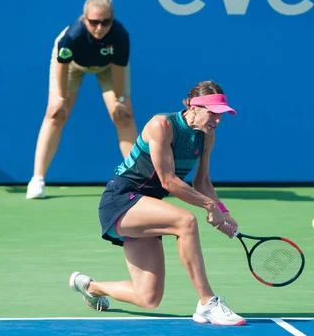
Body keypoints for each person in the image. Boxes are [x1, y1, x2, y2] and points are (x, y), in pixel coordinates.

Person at [68, 80, 246, 326]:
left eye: (221, 115)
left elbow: (202, 181)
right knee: (186, 222)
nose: (216, 119)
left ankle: (90, 286)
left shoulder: (206, 137)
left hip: (147, 209)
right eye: (212, 113)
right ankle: (207, 303)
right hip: (120, 201)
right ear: (193, 107)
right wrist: (209, 206)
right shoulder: (161, 125)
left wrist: (223, 212)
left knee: (148, 297)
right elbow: (169, 182)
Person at [27, 0, 138, 199]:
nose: (99, 28)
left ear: (112, 19)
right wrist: (60, 97)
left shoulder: (120, 36)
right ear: (84, 19)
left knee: (123, 115)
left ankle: (140, 181)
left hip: (107, 67)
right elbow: (62, 66)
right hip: (71, 67)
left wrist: (121, 100)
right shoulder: (72, 37)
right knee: (56, 114)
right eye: (94, 22)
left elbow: (118, 69)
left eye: (105, 22)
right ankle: (37, 179)